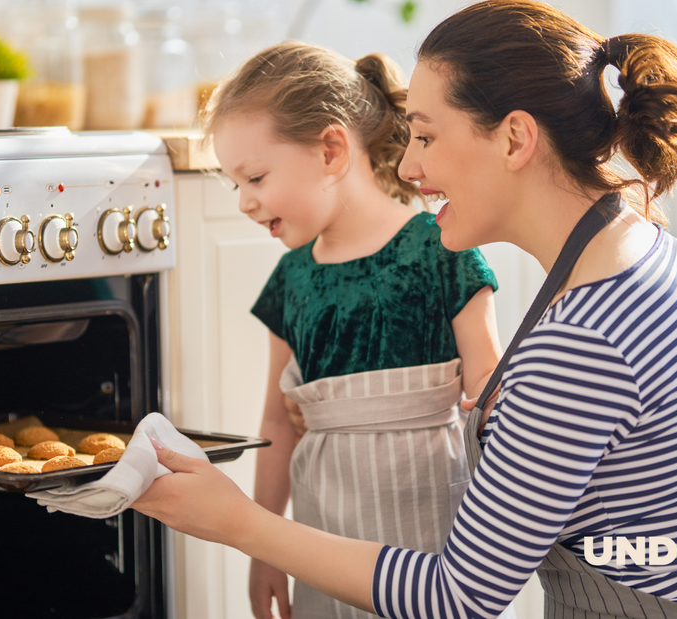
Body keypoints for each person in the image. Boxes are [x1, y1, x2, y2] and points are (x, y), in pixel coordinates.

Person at [132, 2, 677, 617]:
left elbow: (457, 598)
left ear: (515, 138)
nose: (409, 165)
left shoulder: (584, 336)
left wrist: (239, 522)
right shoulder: (635, 242)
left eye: (426, 136)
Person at [201, 41, 503, 619]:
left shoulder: (443, 249)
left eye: (256, 177)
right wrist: (264, 554)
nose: (244, 202)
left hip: (438, 538)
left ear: (332, 149)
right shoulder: (292, 278)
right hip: (325, 534)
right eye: (234, 184)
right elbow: (276, 421)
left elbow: (490, 393)